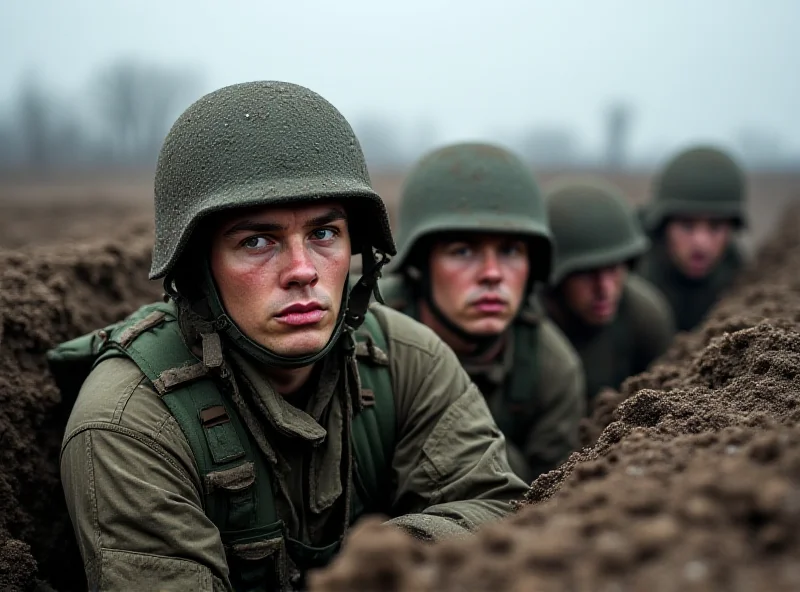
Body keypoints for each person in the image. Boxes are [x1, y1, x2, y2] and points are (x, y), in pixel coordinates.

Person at [51, 81, 529, 592]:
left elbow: (497, 511)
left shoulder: (408, 359)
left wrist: (378, 567)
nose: (303, 270)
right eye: (257, 241)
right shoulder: (129, 423)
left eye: (324, 234)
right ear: (197, 268)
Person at [377, 142, 586, 484]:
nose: (492, 273)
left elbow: (549, 500)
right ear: (419, 266)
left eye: (510, 251)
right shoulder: (363, 336)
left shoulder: (552, 368)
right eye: (462, 251)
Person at [541, 178, 675, 406]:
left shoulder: (645, 317)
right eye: (586, 273)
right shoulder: (532, 326)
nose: (605, 289)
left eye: (613, 269)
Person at [637, 145, 748, 331]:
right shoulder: (632, 271)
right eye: (686, 225)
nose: (701, 242)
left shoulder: (736, 274)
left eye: (716, 226)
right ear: (664, 225)